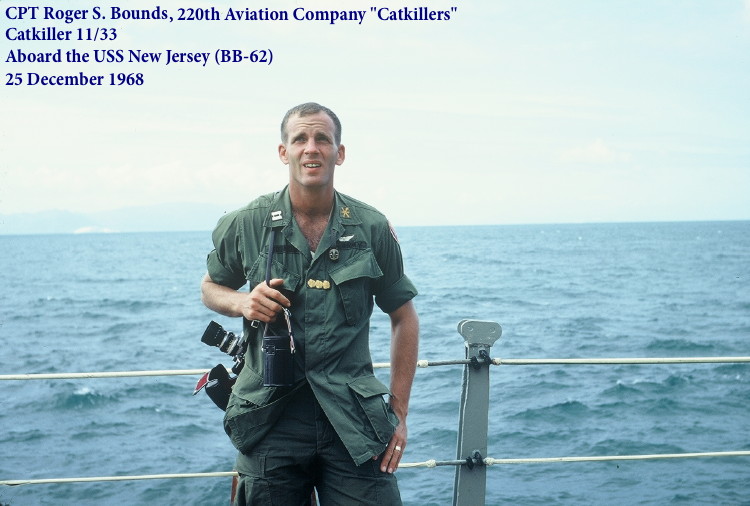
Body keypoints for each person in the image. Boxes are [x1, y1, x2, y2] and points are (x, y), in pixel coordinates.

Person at [200, 102, 419, 505]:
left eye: (323, 139)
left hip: (352, 418)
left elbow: (403, 315)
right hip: (270, 415)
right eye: (300, 139)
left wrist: (399, 413)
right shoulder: (248, 222)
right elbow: (211, 287)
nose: (311, 148)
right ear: (284, 152)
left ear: (340, 152)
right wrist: (243, 302)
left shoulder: (370, 227)